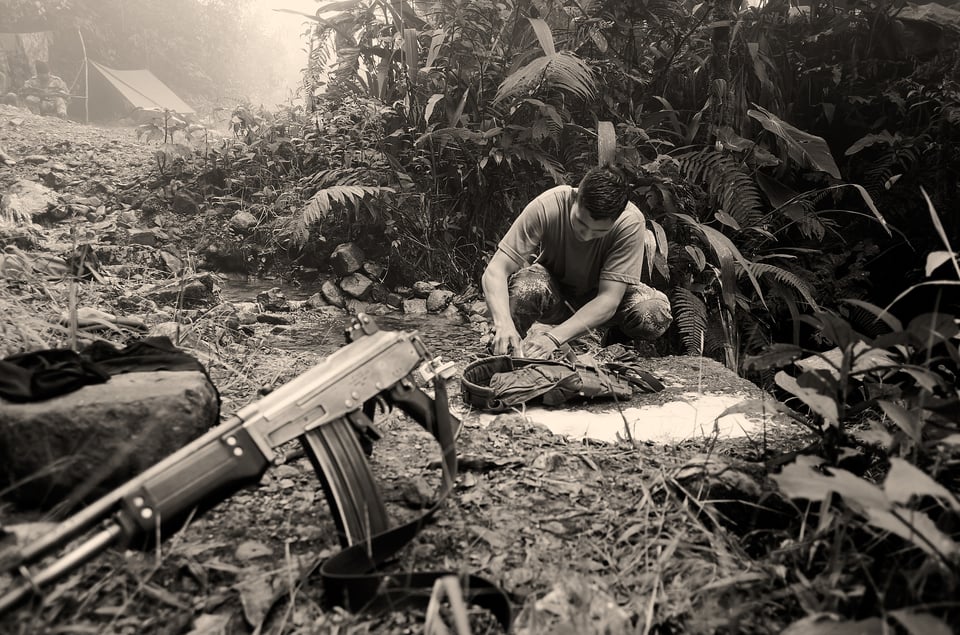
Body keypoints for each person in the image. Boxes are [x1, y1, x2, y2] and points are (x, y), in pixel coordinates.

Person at [481, 163, 673, 359]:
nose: (587, 235)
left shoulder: (630, 222)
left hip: (602, 300)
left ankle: (616, 347)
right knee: (525, 287)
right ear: (575, 198)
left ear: (617, 218)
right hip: (555, 293)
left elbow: (608, 299)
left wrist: (553, 339)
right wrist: (503, 322)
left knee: (653, 313)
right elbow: (496, 269)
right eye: (580, 223)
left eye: (599, 231)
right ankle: (507, 349)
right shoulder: (549, 205)